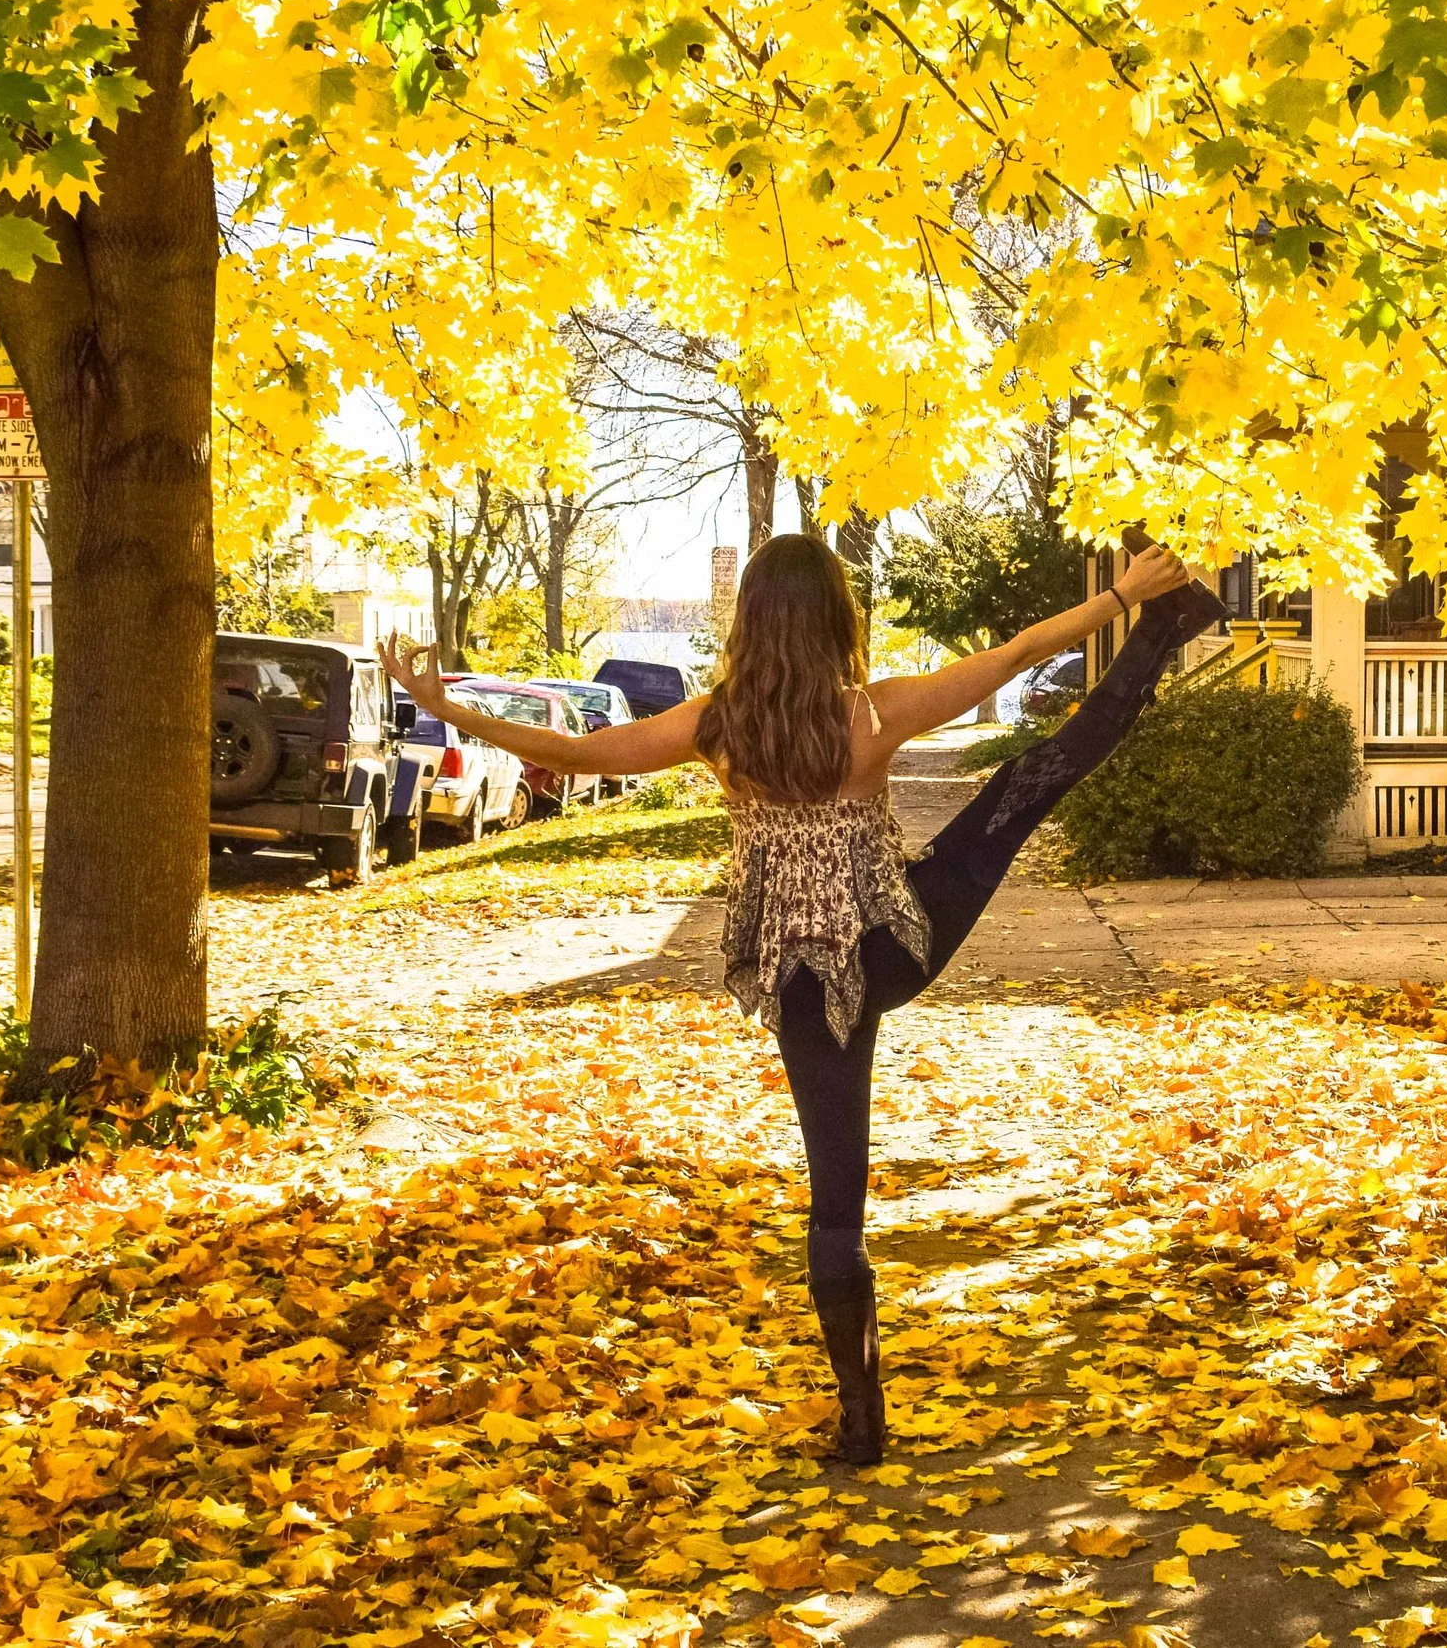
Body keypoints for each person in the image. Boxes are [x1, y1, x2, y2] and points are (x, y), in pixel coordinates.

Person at [380, 533, 1221, 1464]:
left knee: (835, 1203)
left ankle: (864, 1426)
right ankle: (1165, 633)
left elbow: (584, 751)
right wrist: (1121, 600)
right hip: (896, 945)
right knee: (1022, 791)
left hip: (798, 980)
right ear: (835, 618)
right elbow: (1017, 653)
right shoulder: (873, 713)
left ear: (750, 624)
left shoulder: (717, 728)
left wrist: (448, 708)